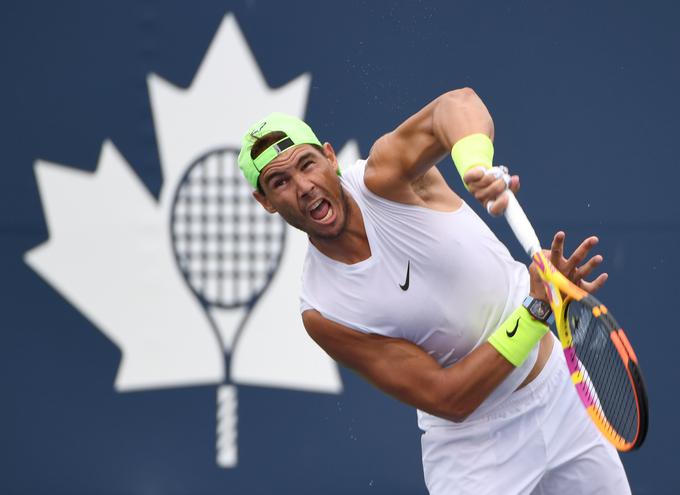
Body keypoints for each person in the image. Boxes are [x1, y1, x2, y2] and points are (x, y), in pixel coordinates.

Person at [237, 88, 630, 495]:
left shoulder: (385, 177)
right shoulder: (324, 309)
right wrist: (535, 311)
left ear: (330, 157)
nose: (303, 186)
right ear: (264, 201)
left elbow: (457, 105)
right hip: (476, 449)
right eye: (280, 182)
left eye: (307, 164)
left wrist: (474, 164)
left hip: (564, 394)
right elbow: (448, 398)